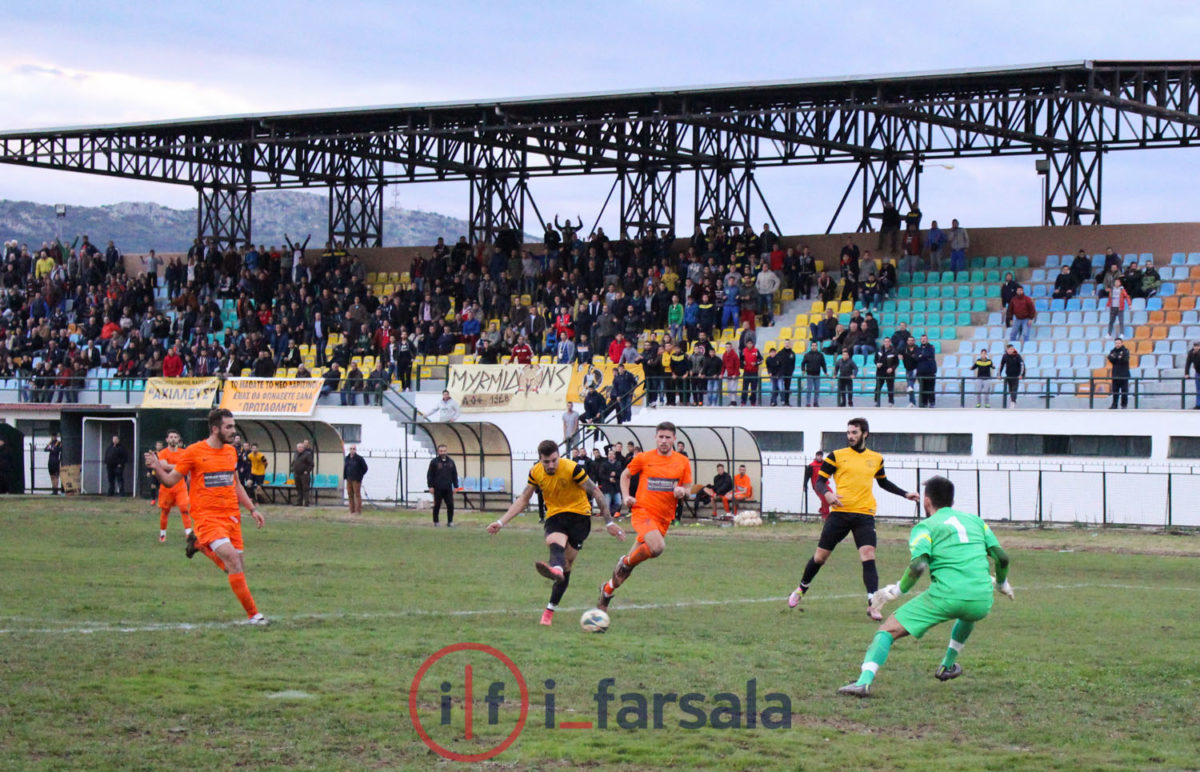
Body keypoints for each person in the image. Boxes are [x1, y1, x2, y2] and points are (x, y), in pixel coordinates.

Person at [837, 476, 1013, 698]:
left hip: (946, 596)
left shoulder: (925, 527)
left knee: (887, 630)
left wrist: (895, 591)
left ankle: (863, 682)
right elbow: (1002, 558)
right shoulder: (976, 521)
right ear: (952, 501)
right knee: (968, 613)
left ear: (927, 502)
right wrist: (1001, 583)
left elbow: (919, 565)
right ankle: (947, 665)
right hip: (982, 599)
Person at [141, 408, 267, 624]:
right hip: (207, 518)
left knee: (234, 567)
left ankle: (199, 545)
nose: (233, 431)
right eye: (228, 427)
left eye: (234, 426)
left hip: (232, 518)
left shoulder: (231, 452)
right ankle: (254, 615)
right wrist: (156, 468)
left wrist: (252, 509)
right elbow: (171, 480)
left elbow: (235, 483)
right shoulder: (194, 451)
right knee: (234, 562)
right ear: (215, 428)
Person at [787, 418, 920, 620]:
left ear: (865, 434)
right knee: (820, 557)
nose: (850, 436)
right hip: (840, 513)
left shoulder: (876, 458)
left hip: (864, 514)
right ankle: (801, 588)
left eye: (854, 433)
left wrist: (905, 494)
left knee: (868, 554)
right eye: (848, 432)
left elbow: (883, 483)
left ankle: (873, 605)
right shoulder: (836, 456)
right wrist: (828, 495)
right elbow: (820, 481)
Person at [487, 439, 623, 625]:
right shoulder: (535, 472)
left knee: (567, 565)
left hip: (579, 517)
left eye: (554, 460)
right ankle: (555, 572)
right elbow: (523, 500)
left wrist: (609, 523)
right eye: (546, 462)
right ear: (540, 460)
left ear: (559, 456)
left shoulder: (572, 468)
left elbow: (596, 493)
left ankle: (550, 606)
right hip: (555, 516)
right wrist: (500, 522)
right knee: (555, 545)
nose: (551, 465)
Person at [597, 422, 693, 613]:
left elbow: (689, 489)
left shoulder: (682, 462)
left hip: (663, 519)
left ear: (674, 439)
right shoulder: (643, 458)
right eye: (661, 437)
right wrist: (626, 497)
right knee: (657, 547)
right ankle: (625, 561)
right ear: (655, 438)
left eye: (668, 437)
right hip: (643, 512)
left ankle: (606, 592)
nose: (664, 441)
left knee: (625, 572)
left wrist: (683, 491)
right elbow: (625, 476)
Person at [156, 430, 193, 543]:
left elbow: (189, 467)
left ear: (178, 440)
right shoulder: (163, 452)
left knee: (184, 509)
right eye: (171, 437)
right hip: (166, 486)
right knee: (165, 511)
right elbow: (164, 466)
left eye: (175, 437)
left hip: (180, 485)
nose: (173, 439)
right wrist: (180, 467)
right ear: (167, 439)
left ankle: (188, 534)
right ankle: (162, 534)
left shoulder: (184, 452)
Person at [427, 444, 459, 526]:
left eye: (444, 451)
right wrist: (430, 486)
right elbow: (430, 475)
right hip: (437, 488)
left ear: (446, 451)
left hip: (448, 488)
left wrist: (456, 487)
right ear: (438, 451)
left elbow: (454, 474)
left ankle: (450, 521)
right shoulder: (434, 462)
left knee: (450, 505)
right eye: (441, 451)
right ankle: (436, 522)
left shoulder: (451, 462)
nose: (443, 452)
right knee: (437, 505)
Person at [998, 344, 1026, 408]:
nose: (1011, 350)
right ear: (1007, 350)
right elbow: (1001, 365)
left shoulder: (1017, 356)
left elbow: (1022, 365)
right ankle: (1012, 399)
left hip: (1016, 376)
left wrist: (1021, 374)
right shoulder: (1005, 356)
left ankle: (1013, 401)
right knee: (1010, 390)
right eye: (1010, 349)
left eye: (1012, 349)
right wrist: (999, 374)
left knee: (1014, 389)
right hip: (1008, 375)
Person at [343, 445, 368, 515]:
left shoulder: (359, 458)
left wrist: (360, 476)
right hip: (349, 479)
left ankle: (358, 511)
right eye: (351, 449)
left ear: (355, 450)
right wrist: (345, 476)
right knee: (350, 494)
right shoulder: (347, 458)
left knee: (357, 495)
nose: (352, 450)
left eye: (353, 449)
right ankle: (352, 510)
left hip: (356, 480)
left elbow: (365, 468)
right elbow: (345, 468)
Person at [873, 340, 899, 407]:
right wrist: (877, 363)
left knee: (890, 388)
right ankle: (876, 402)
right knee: (878, 387)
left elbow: (896, 363)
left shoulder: (894, 351)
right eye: (885, 342)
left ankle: (891, 402)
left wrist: (892, 368)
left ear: (890, 343)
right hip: (880, 371)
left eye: (888, 342)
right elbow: (875, 359)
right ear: (883, 342)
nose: (887, 343)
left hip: (889, 372)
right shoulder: (879, 350)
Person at [800, 341, 826, 407]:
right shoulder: (807, 354)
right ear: (811, 346)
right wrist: (803, 370)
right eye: (813, 345)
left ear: (817, 347)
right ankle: (808, 403)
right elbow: (803, 363)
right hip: (809, 375)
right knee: (809, 390)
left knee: (817, 390)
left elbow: (823, 364)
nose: (814, 347)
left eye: (815, 345)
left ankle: (815, 403)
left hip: (817, 375)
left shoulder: (820, 355)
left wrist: (825, 372)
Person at [1108, 337, 1131, 410]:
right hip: (1115, 374)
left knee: (1124, 391)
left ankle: (1124, 405)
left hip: (1124, 375)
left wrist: (1117, 357)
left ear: (1122, 343)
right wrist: (1118, 357)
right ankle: (1114, 405)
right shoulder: (1113, 351)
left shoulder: (1125, 350)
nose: (1117, 344)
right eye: (1116, 343)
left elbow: (1125, 359)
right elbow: (1110, 358)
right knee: (1115, 391)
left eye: (1119, 343)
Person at [808, 451, 831, 519]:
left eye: (821, 456)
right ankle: (825, 516)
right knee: (824, 500)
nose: (819, 457)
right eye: (818, 455)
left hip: (825, 484)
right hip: (817, 486)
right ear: (816, 456)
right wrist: (805, 485)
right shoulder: (811, 465)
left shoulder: (824, 464)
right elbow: (807, 476)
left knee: (831, 496)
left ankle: (822, 510)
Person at [291, 441, 314, 506]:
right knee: (298, 488)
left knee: (305, 488)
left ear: (303, 448)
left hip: (304, 475)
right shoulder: (295, 454)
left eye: (301, 447)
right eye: (298, 447)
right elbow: (293, 462)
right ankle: (299, 502)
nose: (300, 448)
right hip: (296, 474)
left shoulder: (307, 454)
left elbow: (311, 464)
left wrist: (307, 471)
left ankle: (306, 502)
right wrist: (292, 469)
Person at [1185, 341, 1200, 410]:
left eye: (1198, 346)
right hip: (1198, 372)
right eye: (1195, 346)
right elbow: (1188, 363)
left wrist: (1197, 354)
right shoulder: (1191, 353)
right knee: (1198, 389)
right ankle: (1198, 405)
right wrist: (1187, 373)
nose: (1196, 347)